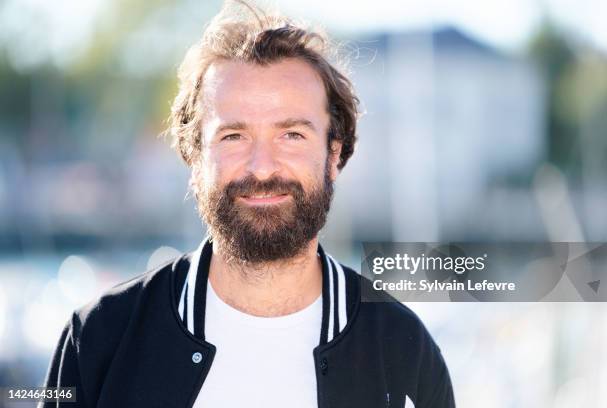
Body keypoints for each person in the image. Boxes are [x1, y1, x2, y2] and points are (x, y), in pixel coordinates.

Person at [42, 1, 455, 407]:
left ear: (333, 155)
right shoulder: (99, 337)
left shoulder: (403, 349)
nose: (261, 168)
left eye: (291, 134)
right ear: (194, 157)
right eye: (233, 136)